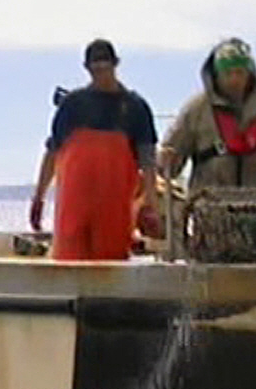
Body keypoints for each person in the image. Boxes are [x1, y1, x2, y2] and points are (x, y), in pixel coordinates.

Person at [29, 38, 160, 260]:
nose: (100, 74)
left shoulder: (135, 108)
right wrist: (38, 197)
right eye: (95, 69)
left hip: (114, 209)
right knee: (69, 262)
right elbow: (52, 153)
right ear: (87, 69)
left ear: (116, 64)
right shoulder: (72, 105)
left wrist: (151, 205)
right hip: (74, 207)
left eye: (105, 68)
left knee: (111, 264)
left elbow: (148, 161)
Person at [158, 38, 256, 189]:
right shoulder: (196, 109)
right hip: (209, 198)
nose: (234, 80)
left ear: (250, 74)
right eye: (228, 73)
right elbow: (169, 163)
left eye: (240, 73)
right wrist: (166, 161)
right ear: (216, 75)